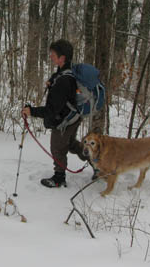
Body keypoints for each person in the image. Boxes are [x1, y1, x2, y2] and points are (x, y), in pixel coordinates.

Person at [21, 39, 95, 188]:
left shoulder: (64, 81)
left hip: (65, 121)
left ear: (62, 58)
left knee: (57, 147)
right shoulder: (68, 71)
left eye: (53, 55)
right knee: (70, 144)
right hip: (74, 117)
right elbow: (62, 79)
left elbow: (51, 110)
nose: (51, 57)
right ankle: (95, 159)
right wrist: (53, 79)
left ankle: (59, 178)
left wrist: (32, 111)